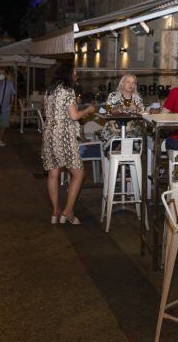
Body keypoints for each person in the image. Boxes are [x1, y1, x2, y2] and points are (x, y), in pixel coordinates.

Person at [42, 63, 94, 224]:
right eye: (74, 72)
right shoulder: (68, 91)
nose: (76, 75)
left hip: (49, 134)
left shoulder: (49, 92)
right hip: (64, 136)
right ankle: (68, 211)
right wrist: (88, 110)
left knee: (53, 174)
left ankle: (55, 212)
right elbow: (74, 116)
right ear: (68, 74)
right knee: (78, 174)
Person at [100, 73, 146, 149]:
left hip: (132, 131)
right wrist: (120, 108)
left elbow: (142, 112)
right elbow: (108, 110)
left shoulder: (137, 98)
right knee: (114, 151)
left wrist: (138, 109)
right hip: (114, 130)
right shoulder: (113, 95)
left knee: (133, 152)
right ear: (122, 83)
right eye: (128, 82)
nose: (130, 85)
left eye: (133, 83)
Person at [0, 69, 16, 148]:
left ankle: (0, 140)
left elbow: (12, 94)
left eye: (3, 73)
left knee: (3, 125)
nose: (1, 75)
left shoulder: (9, 84)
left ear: (5, 75)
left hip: (5, 108)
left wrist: (11, 104)